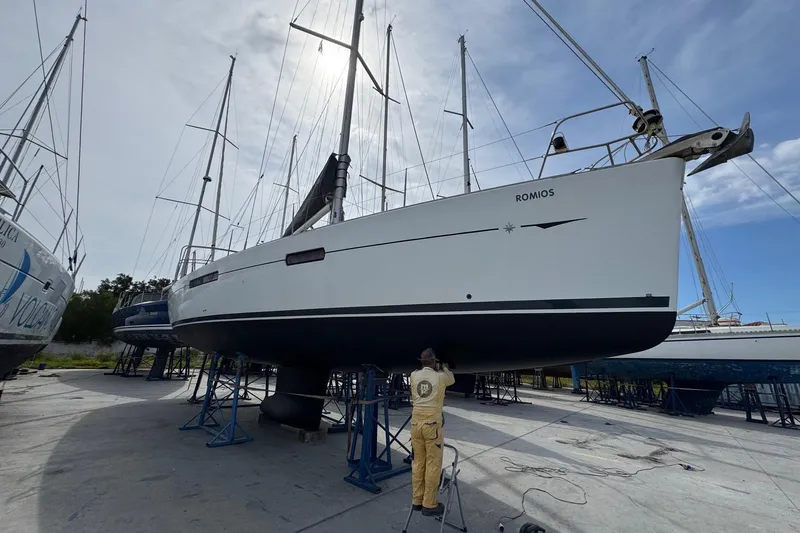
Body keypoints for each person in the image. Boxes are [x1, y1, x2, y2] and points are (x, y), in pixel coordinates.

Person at [409, 347, 455, 516]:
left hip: (415, 425)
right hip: (431, 426)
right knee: (432, 464)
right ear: (434, 362)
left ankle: (417, 500)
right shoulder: (440, 377)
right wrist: (444, 366)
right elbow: (451, 378)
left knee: (418, 462)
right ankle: (429, 504)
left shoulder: (413, 375)